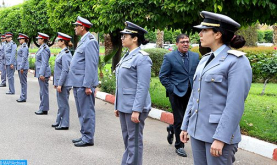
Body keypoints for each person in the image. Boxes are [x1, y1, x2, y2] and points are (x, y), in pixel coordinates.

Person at [180, 11, 252, 165]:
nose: (200, 34)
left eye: (205, 30)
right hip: (198, 131)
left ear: (218, 34)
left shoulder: (237, 61)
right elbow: (195, 96)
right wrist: (186, 126)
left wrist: (221, 137)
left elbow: (235, 104)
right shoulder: (205, 59)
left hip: (218, 135)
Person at [114, 21, 152, 165]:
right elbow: (121, 84)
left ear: (135, 38)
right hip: (124, 106)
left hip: (134, 108)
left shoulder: (142, 58)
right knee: (128, 140)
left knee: (134, 142)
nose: (122, 38)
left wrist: (137, 110)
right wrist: (117, 105)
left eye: (125, 35)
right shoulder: (127, 56)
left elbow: (142, 86)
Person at [159, 34, 199, 157]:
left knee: (190, 118)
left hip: (191, 92)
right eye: (182, 42)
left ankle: (172, 128)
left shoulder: (195, 56)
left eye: (187, 41)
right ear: (177, 44)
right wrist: (172, 89)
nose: (186, 44)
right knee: (180, 119)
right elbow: (163, 76)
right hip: (176, 92)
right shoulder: (169, 57)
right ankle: (179, 146)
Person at [68, 16, 99, 147]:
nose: (75, 28)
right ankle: (84, 135)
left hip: (83, 83)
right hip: (77, 82)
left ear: (82, 27)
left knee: (87, 111)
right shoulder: (83, 41)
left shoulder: (90, 41)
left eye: (76, 26)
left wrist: (88, 85)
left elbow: (91, 65)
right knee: (81, 111)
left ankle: (88, 138)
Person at [52, 32, 72, 130]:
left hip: (64, 83)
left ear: (63, 42)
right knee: (61, 103)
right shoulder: (62, 52)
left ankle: (64, 124)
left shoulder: (66, 54)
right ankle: (59, 121)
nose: (57, 42)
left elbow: (65, 70)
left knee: (63, 103)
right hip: (61, 82)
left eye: (58, 41)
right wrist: (56, 83)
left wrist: (60, 84)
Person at [34, 32, 51, 115]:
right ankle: (43, 107)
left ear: (42, 39)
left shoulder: (45, 49)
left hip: (43, 73)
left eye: (39, 39)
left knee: (44, 91)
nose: (38, 40)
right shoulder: (42, 47)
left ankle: (44, 109)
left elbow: (44, 63)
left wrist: (41, 74)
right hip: (41, 71)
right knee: (42, 91)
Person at [16, 33, 29, 103]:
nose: (19, 40)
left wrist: (21, 67)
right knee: (22, 82)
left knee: (23, 82)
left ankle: (23, 97)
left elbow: (24, 58)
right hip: (20, 66)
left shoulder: (24, 47)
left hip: (22, 67)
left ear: (24, 39)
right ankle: (22, 96)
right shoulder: (21, 46)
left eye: (20, 39)